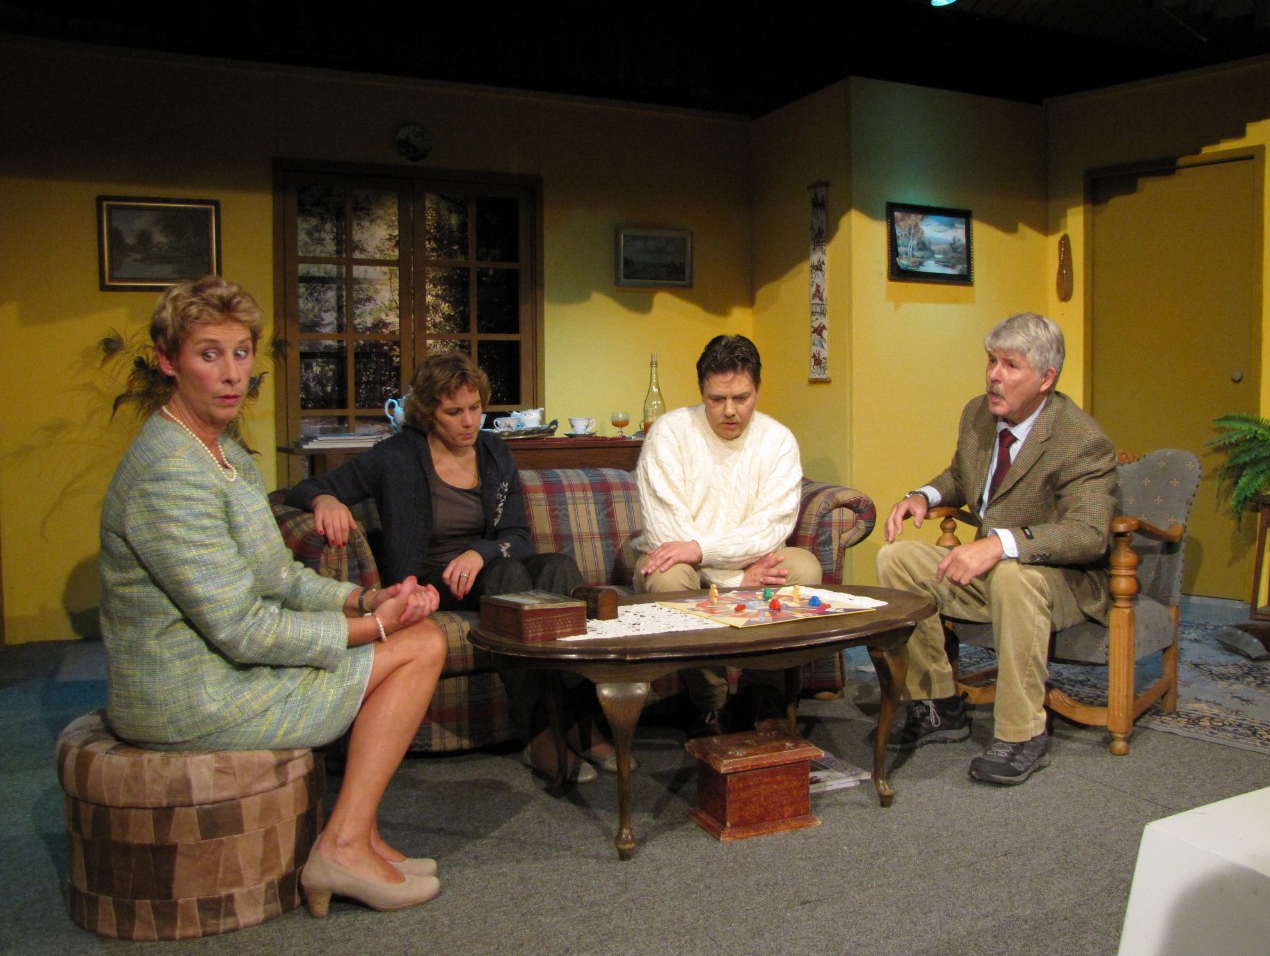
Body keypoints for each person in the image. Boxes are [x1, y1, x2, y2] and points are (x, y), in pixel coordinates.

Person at [99, 276, 448, 918]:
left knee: (416, 635)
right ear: (168, 360)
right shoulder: (168, 472)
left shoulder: (222, 451)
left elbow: (281, 579)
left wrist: (366, 600)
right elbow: (242, 628)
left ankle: (362, 837)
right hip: (191, 693)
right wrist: (377, 630)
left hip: (225, 669)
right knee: (421, 646)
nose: (233, 373)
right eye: (209, 355)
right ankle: (343, 846)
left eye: (240, 353)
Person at [285, 351, 625, 782]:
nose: (469, 422)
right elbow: (304, 488)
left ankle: (580, 720)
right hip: (435, 578)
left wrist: (481, 552)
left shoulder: (493, 451)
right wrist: (325, 500)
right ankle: (540, 734)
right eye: (454, 412)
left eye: (475, 408)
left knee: (558, 568)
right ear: (429, 413)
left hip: (487, 565)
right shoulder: (397, 456)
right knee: (509, 577)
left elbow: (518, 534)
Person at [877, 312, 1117, 786]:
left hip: (1060, 582)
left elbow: (1090, 533)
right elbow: (960, 476)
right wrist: (922, 496)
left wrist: (1001, 544)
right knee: (896, 559)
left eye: (1010, 365)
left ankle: (1022, 733)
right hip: (992, 576)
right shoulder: (978, 415)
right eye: (991, 361)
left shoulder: (1081, 439)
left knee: (1011, 574)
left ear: (1046, 378)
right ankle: (939, 704)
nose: (993, 375)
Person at [633, 334, 822, 735]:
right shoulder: (668, 433)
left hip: (749, 562)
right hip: (690, 568)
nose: (730, 411)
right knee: (667, 576)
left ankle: (761, 693)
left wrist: (711, 556)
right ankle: (712, 703)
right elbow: (669, 537)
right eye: (717, 399)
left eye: (741, 398)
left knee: (804, 568)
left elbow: (771, 528)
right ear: (701, 392)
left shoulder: (778, 440)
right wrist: (736, 582)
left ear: (758, 391)